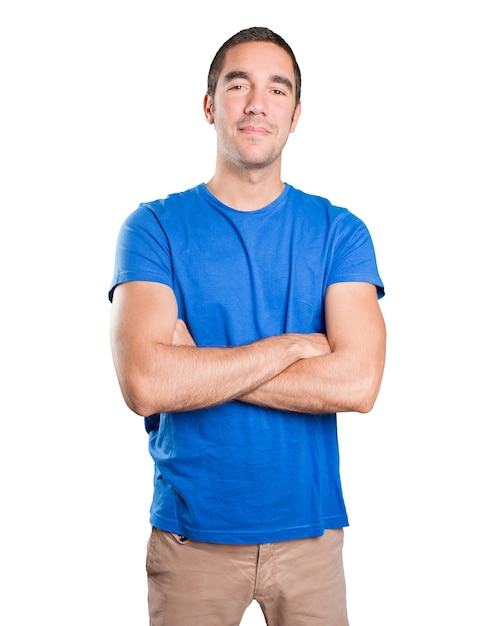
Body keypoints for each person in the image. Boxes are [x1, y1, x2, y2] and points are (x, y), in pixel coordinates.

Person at [109, 26, 386, 626]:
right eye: (239, 85)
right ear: (210, 105)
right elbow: (146, 384)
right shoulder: (153, 228)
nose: (257, 103)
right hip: (191, 543)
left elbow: (359, 383)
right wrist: (292, 347)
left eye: (277, 89)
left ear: (296, 114)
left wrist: (198, 365)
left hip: (310, 541)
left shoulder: (340, 232)